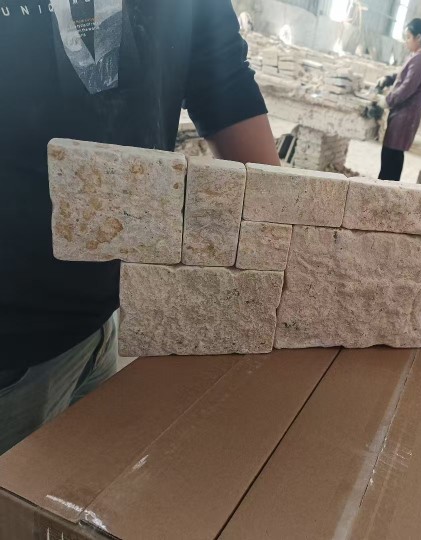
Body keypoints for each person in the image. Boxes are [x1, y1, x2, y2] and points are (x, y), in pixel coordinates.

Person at [0, 0, 280, 454]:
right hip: (12, 339)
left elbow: (221, 77)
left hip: (102, 317)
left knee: (78, 484)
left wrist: (285, 245)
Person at [377, 18, 421, 181]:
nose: (405, 41)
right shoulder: (420, 55)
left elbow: (408, 86)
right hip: (404, 113)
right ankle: (387, 188)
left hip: (405, 114)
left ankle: (384, 190)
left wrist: (388, 101)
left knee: (391, 156)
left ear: (419, 37)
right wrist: (389, 78)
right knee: (393, 155)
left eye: (408, 37)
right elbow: (405, 74)